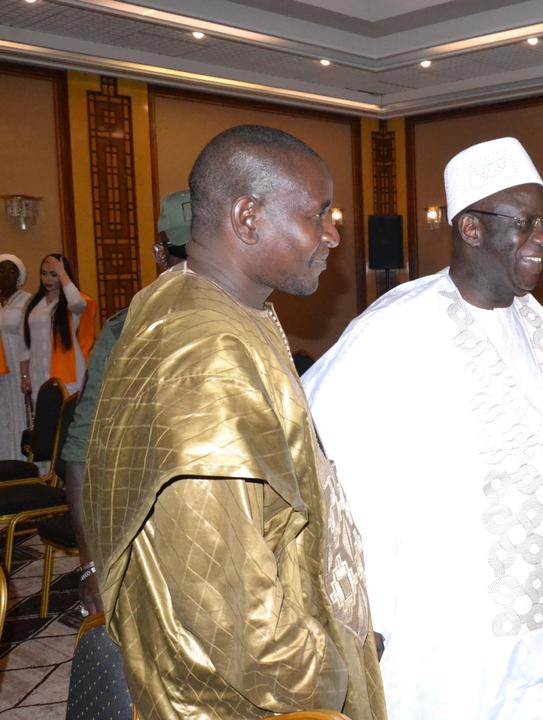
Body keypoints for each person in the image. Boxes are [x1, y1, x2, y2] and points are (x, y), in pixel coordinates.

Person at [304, 136, 543, 719]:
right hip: (453, 637)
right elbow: (326, 473)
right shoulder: (394, 333)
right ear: (470, 229)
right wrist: (360, 612)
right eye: (525, 223)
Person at [84, 125, 385, 720]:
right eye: (319, 213)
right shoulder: (207, 355)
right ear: (247, 217)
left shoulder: (188, 300)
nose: (332, 234)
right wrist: (334, 672)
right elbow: (227, 605)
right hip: (238, 698)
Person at [63, 189, 191, 618]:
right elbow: (80, 453)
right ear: (160, 253)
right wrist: (90, 564)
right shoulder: (124, 333)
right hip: (150, 540)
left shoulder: (250, 321)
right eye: (182, 257)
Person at [19, 253, 97, 404]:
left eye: (53, 274)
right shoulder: (33, 303)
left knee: (64, 419)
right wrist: (24, 376)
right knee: (43, 421)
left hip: (66, 372)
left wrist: (62, 273)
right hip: (37, 372)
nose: (47, 278)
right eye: (44, 273)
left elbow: (78, 304)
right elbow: (24, 344)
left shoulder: (71, 301)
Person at [0, 254, 31, 459]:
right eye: (2, 270)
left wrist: (25, 374)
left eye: (13, 271)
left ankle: (21, 460)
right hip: (1, 366)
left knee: (19, 409)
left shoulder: (28, 301)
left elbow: (29, 339)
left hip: (19, 365)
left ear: (19, 276)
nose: (7, 275)